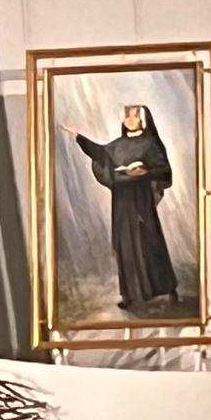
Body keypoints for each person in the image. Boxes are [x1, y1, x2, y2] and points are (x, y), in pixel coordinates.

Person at [60, 104, 178, 311]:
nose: (130, 120)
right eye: (127, 116)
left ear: (143, 120)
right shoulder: (118, 145)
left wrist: (145, 171)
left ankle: (168, 289)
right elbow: (100, 153)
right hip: (122, 202)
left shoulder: (151, 144)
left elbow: (164, 170)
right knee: (124, 245)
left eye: (134, 116)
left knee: (150, 243)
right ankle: (130, 294)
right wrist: (78, 136)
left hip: (140, 201)